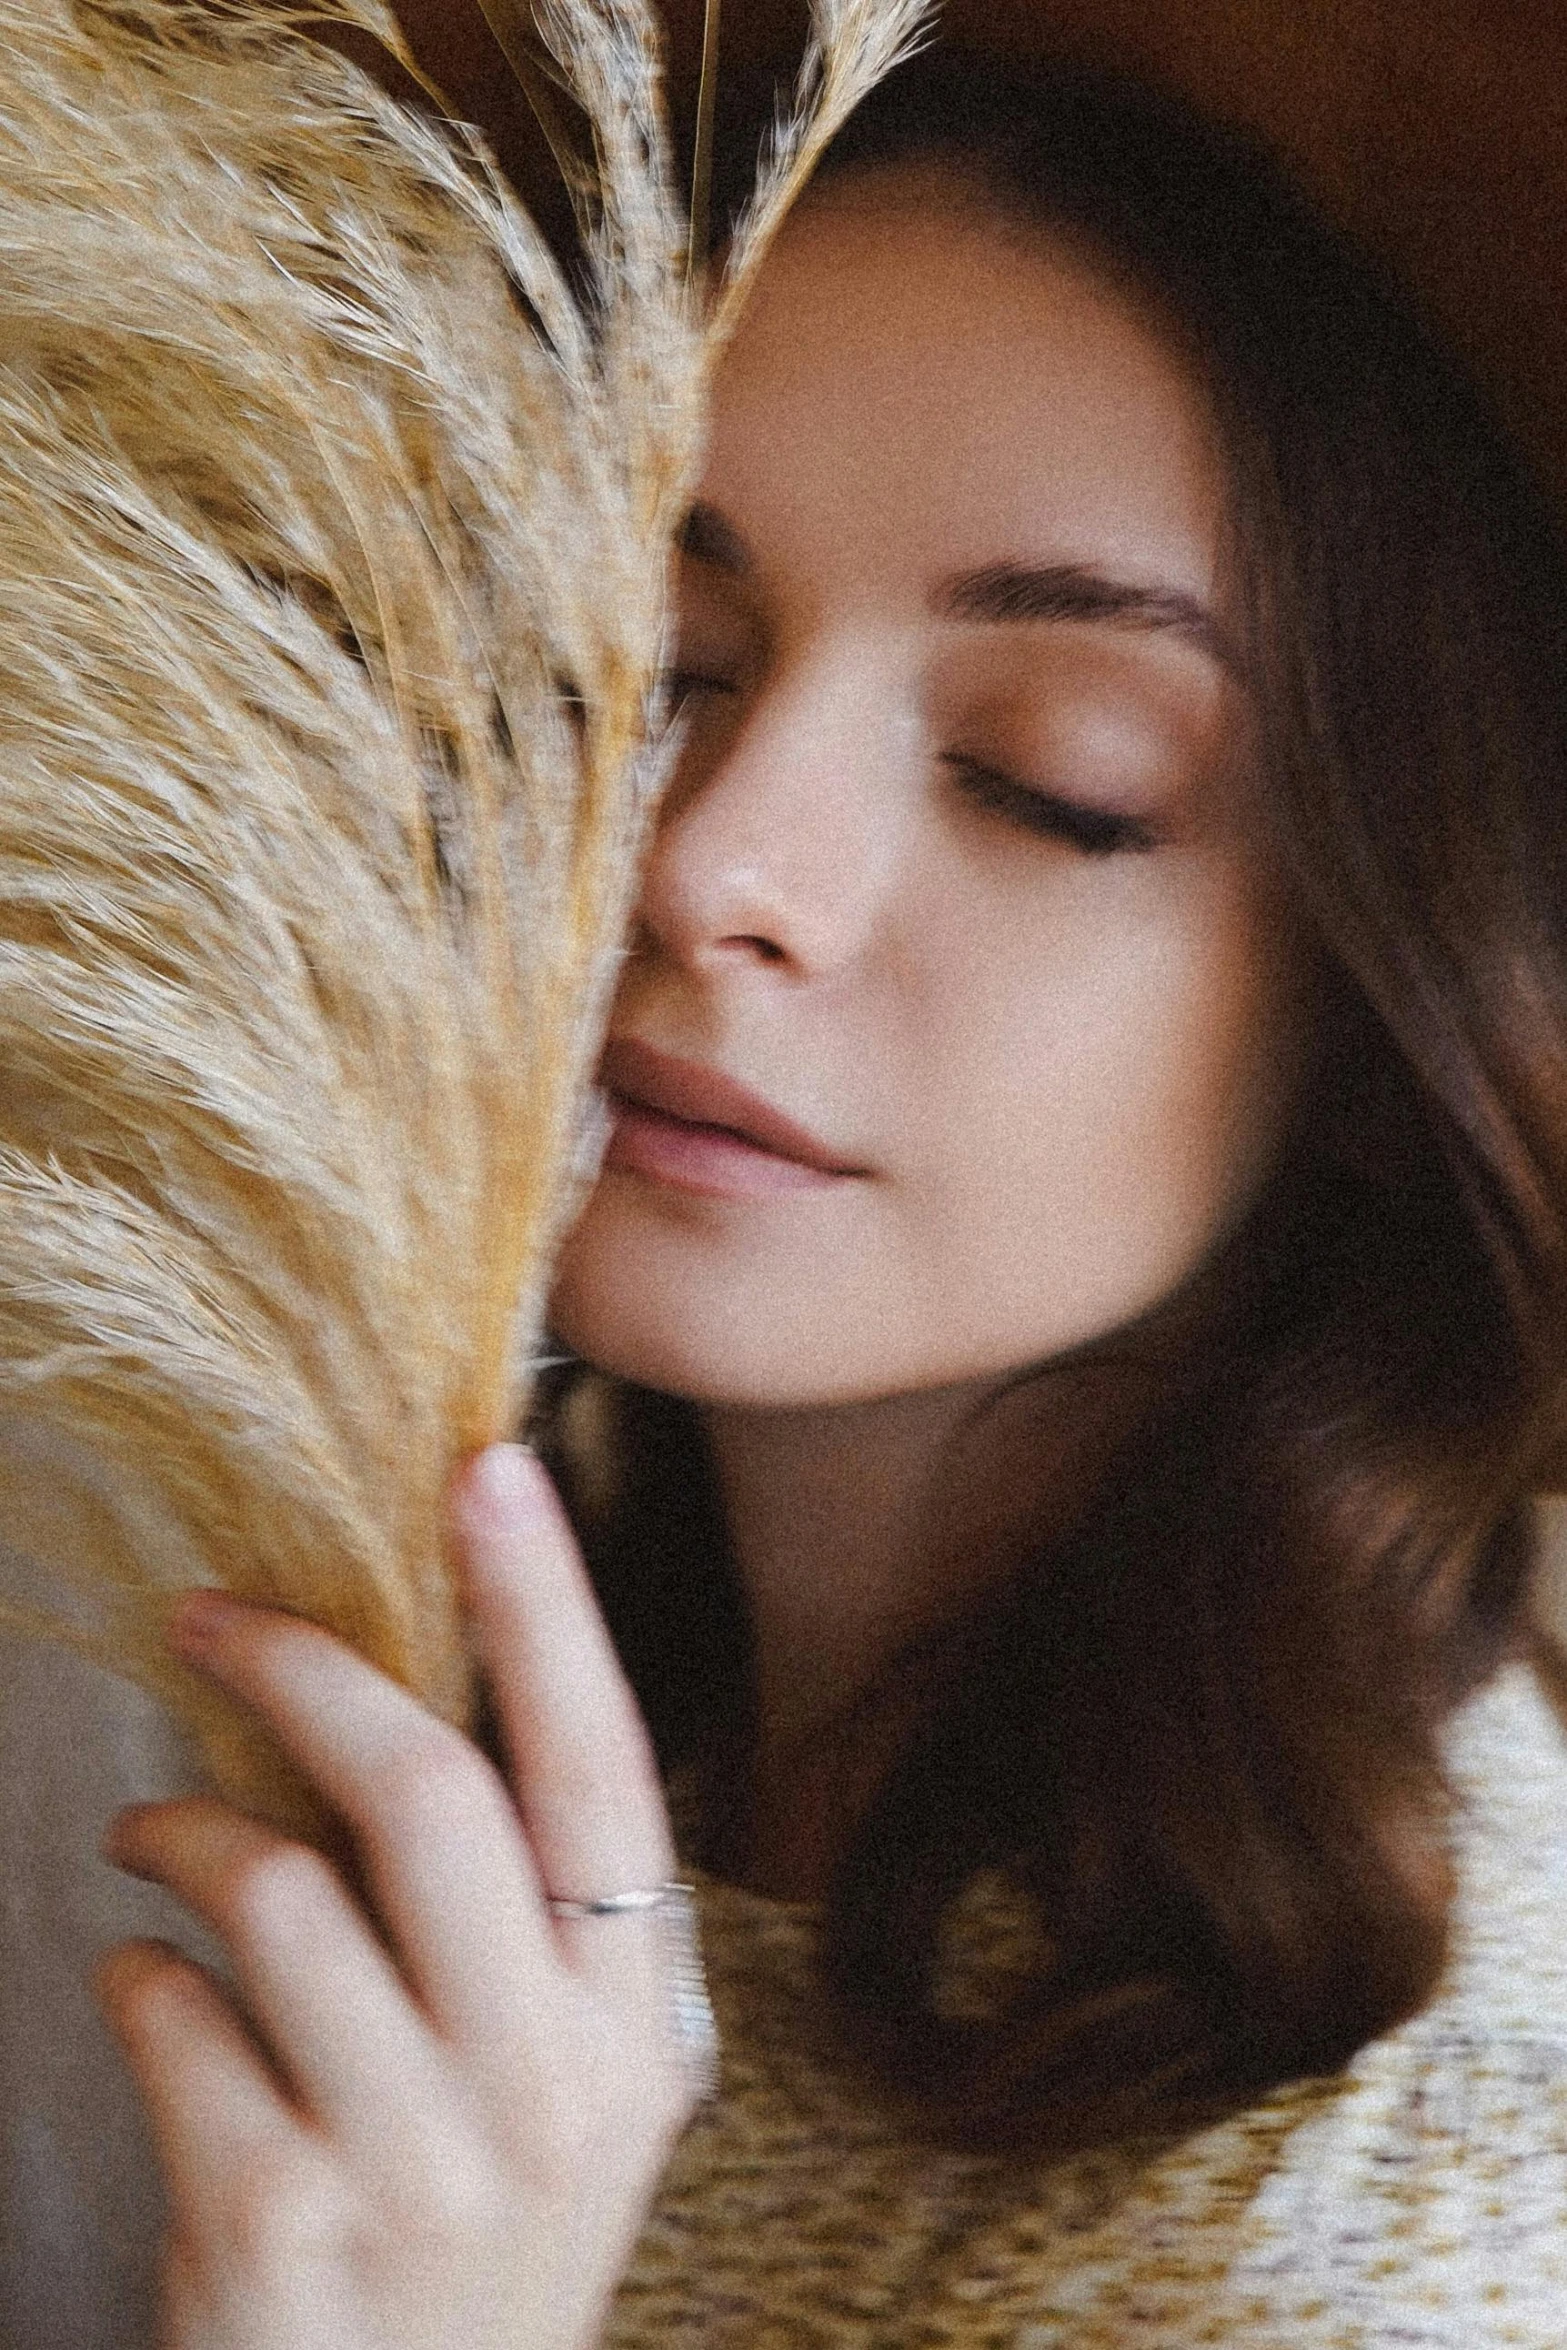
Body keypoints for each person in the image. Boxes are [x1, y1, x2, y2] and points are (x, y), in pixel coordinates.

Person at [14, 38, 1567, 2349]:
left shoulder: (1398, 2198)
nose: (710, 856)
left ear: (1369, 1017)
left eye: (1051, 780)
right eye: (665, 663)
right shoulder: (440, 1696)